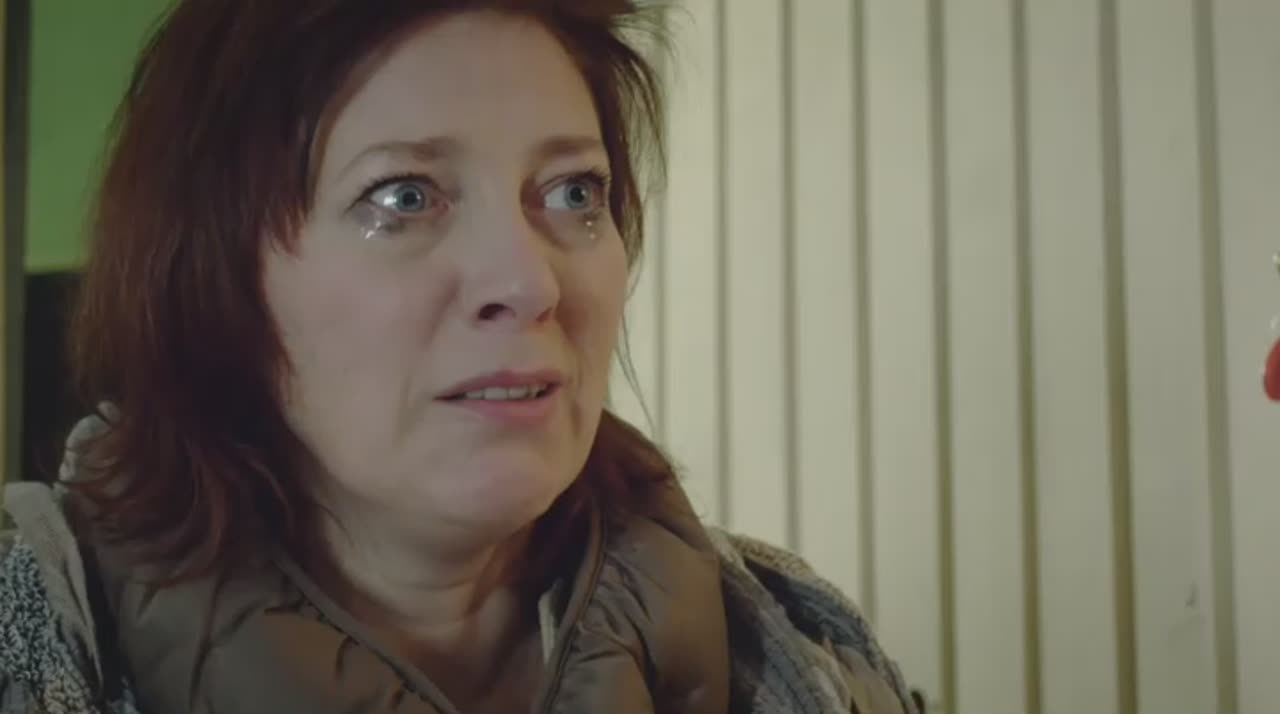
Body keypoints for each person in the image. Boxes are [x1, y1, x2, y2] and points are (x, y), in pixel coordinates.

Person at [0, 1, 918, 712]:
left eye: (574, 193)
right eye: (403, 197)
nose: (529, 281)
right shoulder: (32, 634)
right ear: (216, 278)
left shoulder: (803, 647)